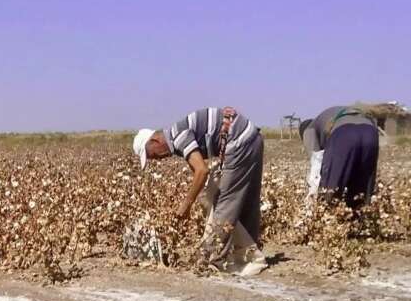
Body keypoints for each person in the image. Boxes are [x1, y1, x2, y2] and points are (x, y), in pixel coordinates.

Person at [133, 107, 267, 274]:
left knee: (225, 203)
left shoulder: (178, 136)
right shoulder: (179, 134)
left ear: (155, 141)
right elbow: (200, 177)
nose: (157, 159)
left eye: (152, 155)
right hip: (253, 138)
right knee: (247, 200)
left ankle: (213, 260)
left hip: (240, 142)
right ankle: (249, 255)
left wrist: (186, 205)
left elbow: (202, 171)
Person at [299, 105, 379, 210]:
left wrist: (312, 199)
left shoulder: (309, 130)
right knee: (361, 194)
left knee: (330, 194)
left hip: (344, 133)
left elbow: (317, 164)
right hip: (370, 133)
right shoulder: (326, 118)